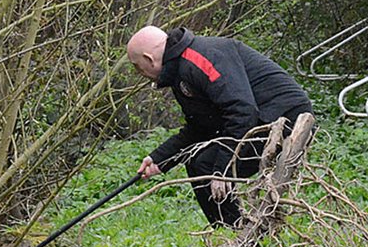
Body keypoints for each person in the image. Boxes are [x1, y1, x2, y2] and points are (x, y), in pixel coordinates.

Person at [125, 24, 313, 227]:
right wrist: (160, 159)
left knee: (205, 164)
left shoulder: (200, 59)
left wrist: (222, 169)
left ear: (148, 59)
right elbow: (200, 127)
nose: (138, 73)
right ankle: (236, 238)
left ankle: (239, 241)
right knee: (199, 163)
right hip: (258, 118)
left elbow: (242, 112)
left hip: (286, 119)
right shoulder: (181, 70)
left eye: (136, 66)